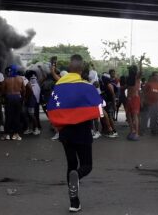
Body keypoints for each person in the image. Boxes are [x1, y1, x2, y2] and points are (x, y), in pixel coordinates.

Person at [47, 55, 103, 213]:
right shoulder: (87, 87)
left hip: (66, 133)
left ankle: (74, 202)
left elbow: (52, 107)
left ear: (69, 68)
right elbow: (99, 109)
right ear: (81, 68)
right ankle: (77, 175)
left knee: (71, 165)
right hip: (83, 132)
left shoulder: (59, 85)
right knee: (86, 165)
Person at [1, 65, 25, 141]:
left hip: (9, 98)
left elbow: (2, 91)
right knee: (17, 116)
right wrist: (22, 98)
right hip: (18, 97)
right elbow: (24, 90)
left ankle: (7, 134)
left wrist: (3, 97)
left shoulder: (6, 79)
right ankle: (16, 134)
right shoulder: (20, 79)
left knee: (8, 116)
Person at [126, 56, 144, 141]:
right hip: (129, 99)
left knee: (135, 115)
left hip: (135, 98)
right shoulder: (129, 78)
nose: (130, 70)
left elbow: (141, 71)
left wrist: (140, 61)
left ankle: (136, 132)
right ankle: (132, 130)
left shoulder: (137, 77)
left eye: (132, 69)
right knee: (128, 115)